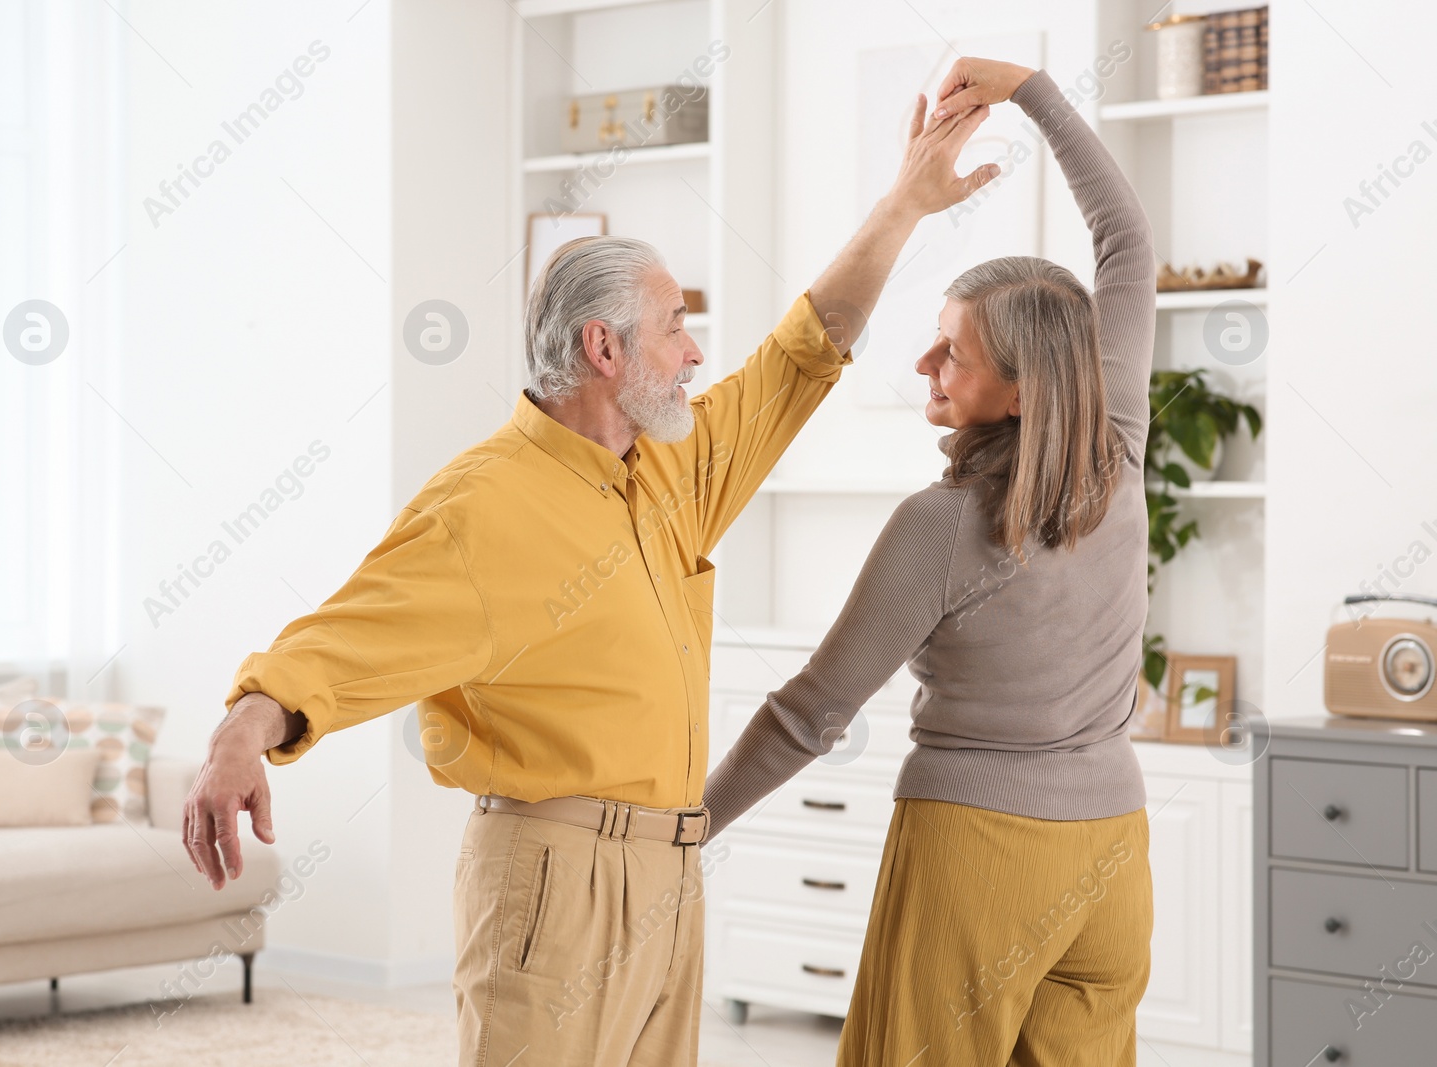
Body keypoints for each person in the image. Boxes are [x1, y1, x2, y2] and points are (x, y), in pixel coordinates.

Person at [181, 96, 1001, 1065]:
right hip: (549, 877)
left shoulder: (671, 470)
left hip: (670, 869)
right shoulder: (483, 506)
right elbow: (346, 636)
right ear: (602, 350)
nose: (696, 353)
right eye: (675, 328)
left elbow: (803, 350)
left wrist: (903, 204)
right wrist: (244, 726)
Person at [700, 57, 1157, 1066]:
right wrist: (1033, 89)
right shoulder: (1117, 452)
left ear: (1021, 390)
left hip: (978, 856)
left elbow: (809, 712)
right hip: (1115, 859)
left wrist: (688, 825)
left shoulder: (945, 524)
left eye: (951, 351)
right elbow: (1128, 244)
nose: (922, 364)